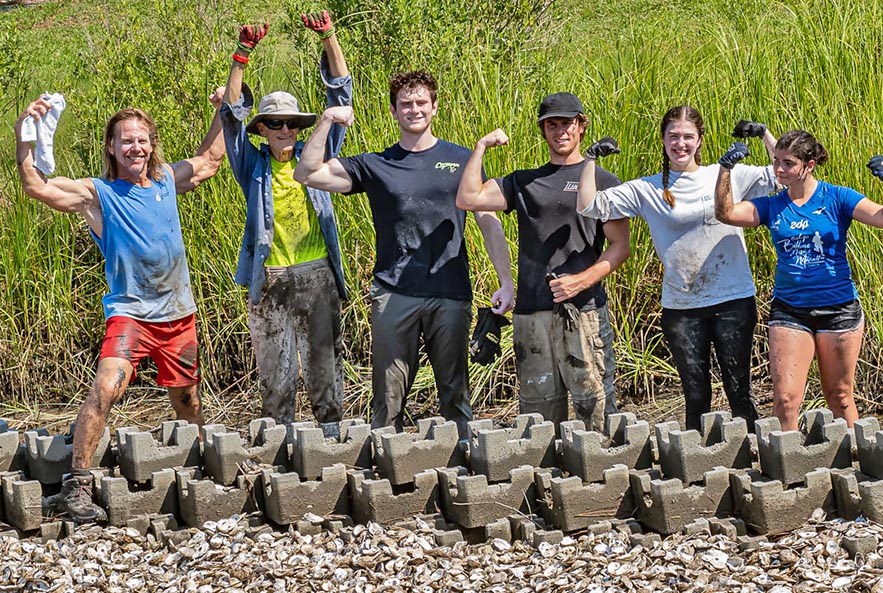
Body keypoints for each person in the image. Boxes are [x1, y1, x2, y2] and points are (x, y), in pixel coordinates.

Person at [15, 92, 226, 523]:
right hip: (130, 315)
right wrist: (26, 138)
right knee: (108, 386)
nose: (135, 147)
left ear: (152, 144)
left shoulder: (167, 179)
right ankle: (77, 485)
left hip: (177, 313)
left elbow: (208, 161)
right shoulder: (99, 194)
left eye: (142, 140)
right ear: (111, 146)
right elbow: (36, 185)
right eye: (125, 140)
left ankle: (207, 461)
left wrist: (225, 109)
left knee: (187, 400)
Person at [294, 70, 513, 438]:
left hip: (451, 293)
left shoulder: (461, 160)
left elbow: (489, 221)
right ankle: (388, 478)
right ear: (393, 112)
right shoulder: (376, 164)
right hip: (393, 294)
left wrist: (506, 281)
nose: (414, 109)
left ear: (435, 107)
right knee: (389, 399)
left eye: (421, 102)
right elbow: (307, 172)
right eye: (406, 104)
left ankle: (460, 469)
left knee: (455, 395)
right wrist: (328, 119)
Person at [576, 107, 778, 431]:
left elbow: (781, 174)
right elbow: (589, 204)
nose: (680, 143)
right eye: (673, 136)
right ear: (664, 141)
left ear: (699, 141)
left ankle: (751, 460)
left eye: (687, 137)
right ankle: (697, 466)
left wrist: (763, 133)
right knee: (696, 394)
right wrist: (590, 159)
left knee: (739, 391)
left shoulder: (726, 174)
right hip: (683, 306)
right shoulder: (647, 189)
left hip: (734, 299)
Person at [455, 92, 630, 431]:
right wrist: (480, 147)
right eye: (552, 124)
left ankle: (598, 476)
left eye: (567, 123)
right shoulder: (523, 182)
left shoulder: (602, 180)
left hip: (584, 312)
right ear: (543, 130)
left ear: (581, 126)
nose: (560, 131)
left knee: (593, 407)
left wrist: (582, 280)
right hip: (531, 314)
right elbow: (468, 198)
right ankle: (548, 481)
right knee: (538, 418)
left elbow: (620, 246)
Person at [714, 131, 883, 430]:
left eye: (787, 163)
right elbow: (726, 213)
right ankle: (788, 469)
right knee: (786, 400)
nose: (778, 170)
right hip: (790, 310)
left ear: (809, 164)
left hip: (838, 310)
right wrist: (726, 169)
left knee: (839, 396)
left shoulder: (838, 197)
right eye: (776, 161)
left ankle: (855, 462)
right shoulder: (772, 205)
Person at [220, 13, 350, 429]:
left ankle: (331, 445)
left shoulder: (316, 158)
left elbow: (341, 96)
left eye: (291, 123)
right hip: (269, 276)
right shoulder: (251, 165)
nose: (284, 129)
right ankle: (279, 455)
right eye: (274, 123)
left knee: (325, 373)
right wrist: (241, 56)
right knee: (275, 378)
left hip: (318, 275)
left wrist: (329, 38)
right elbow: (230, 115)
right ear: (263, 129)